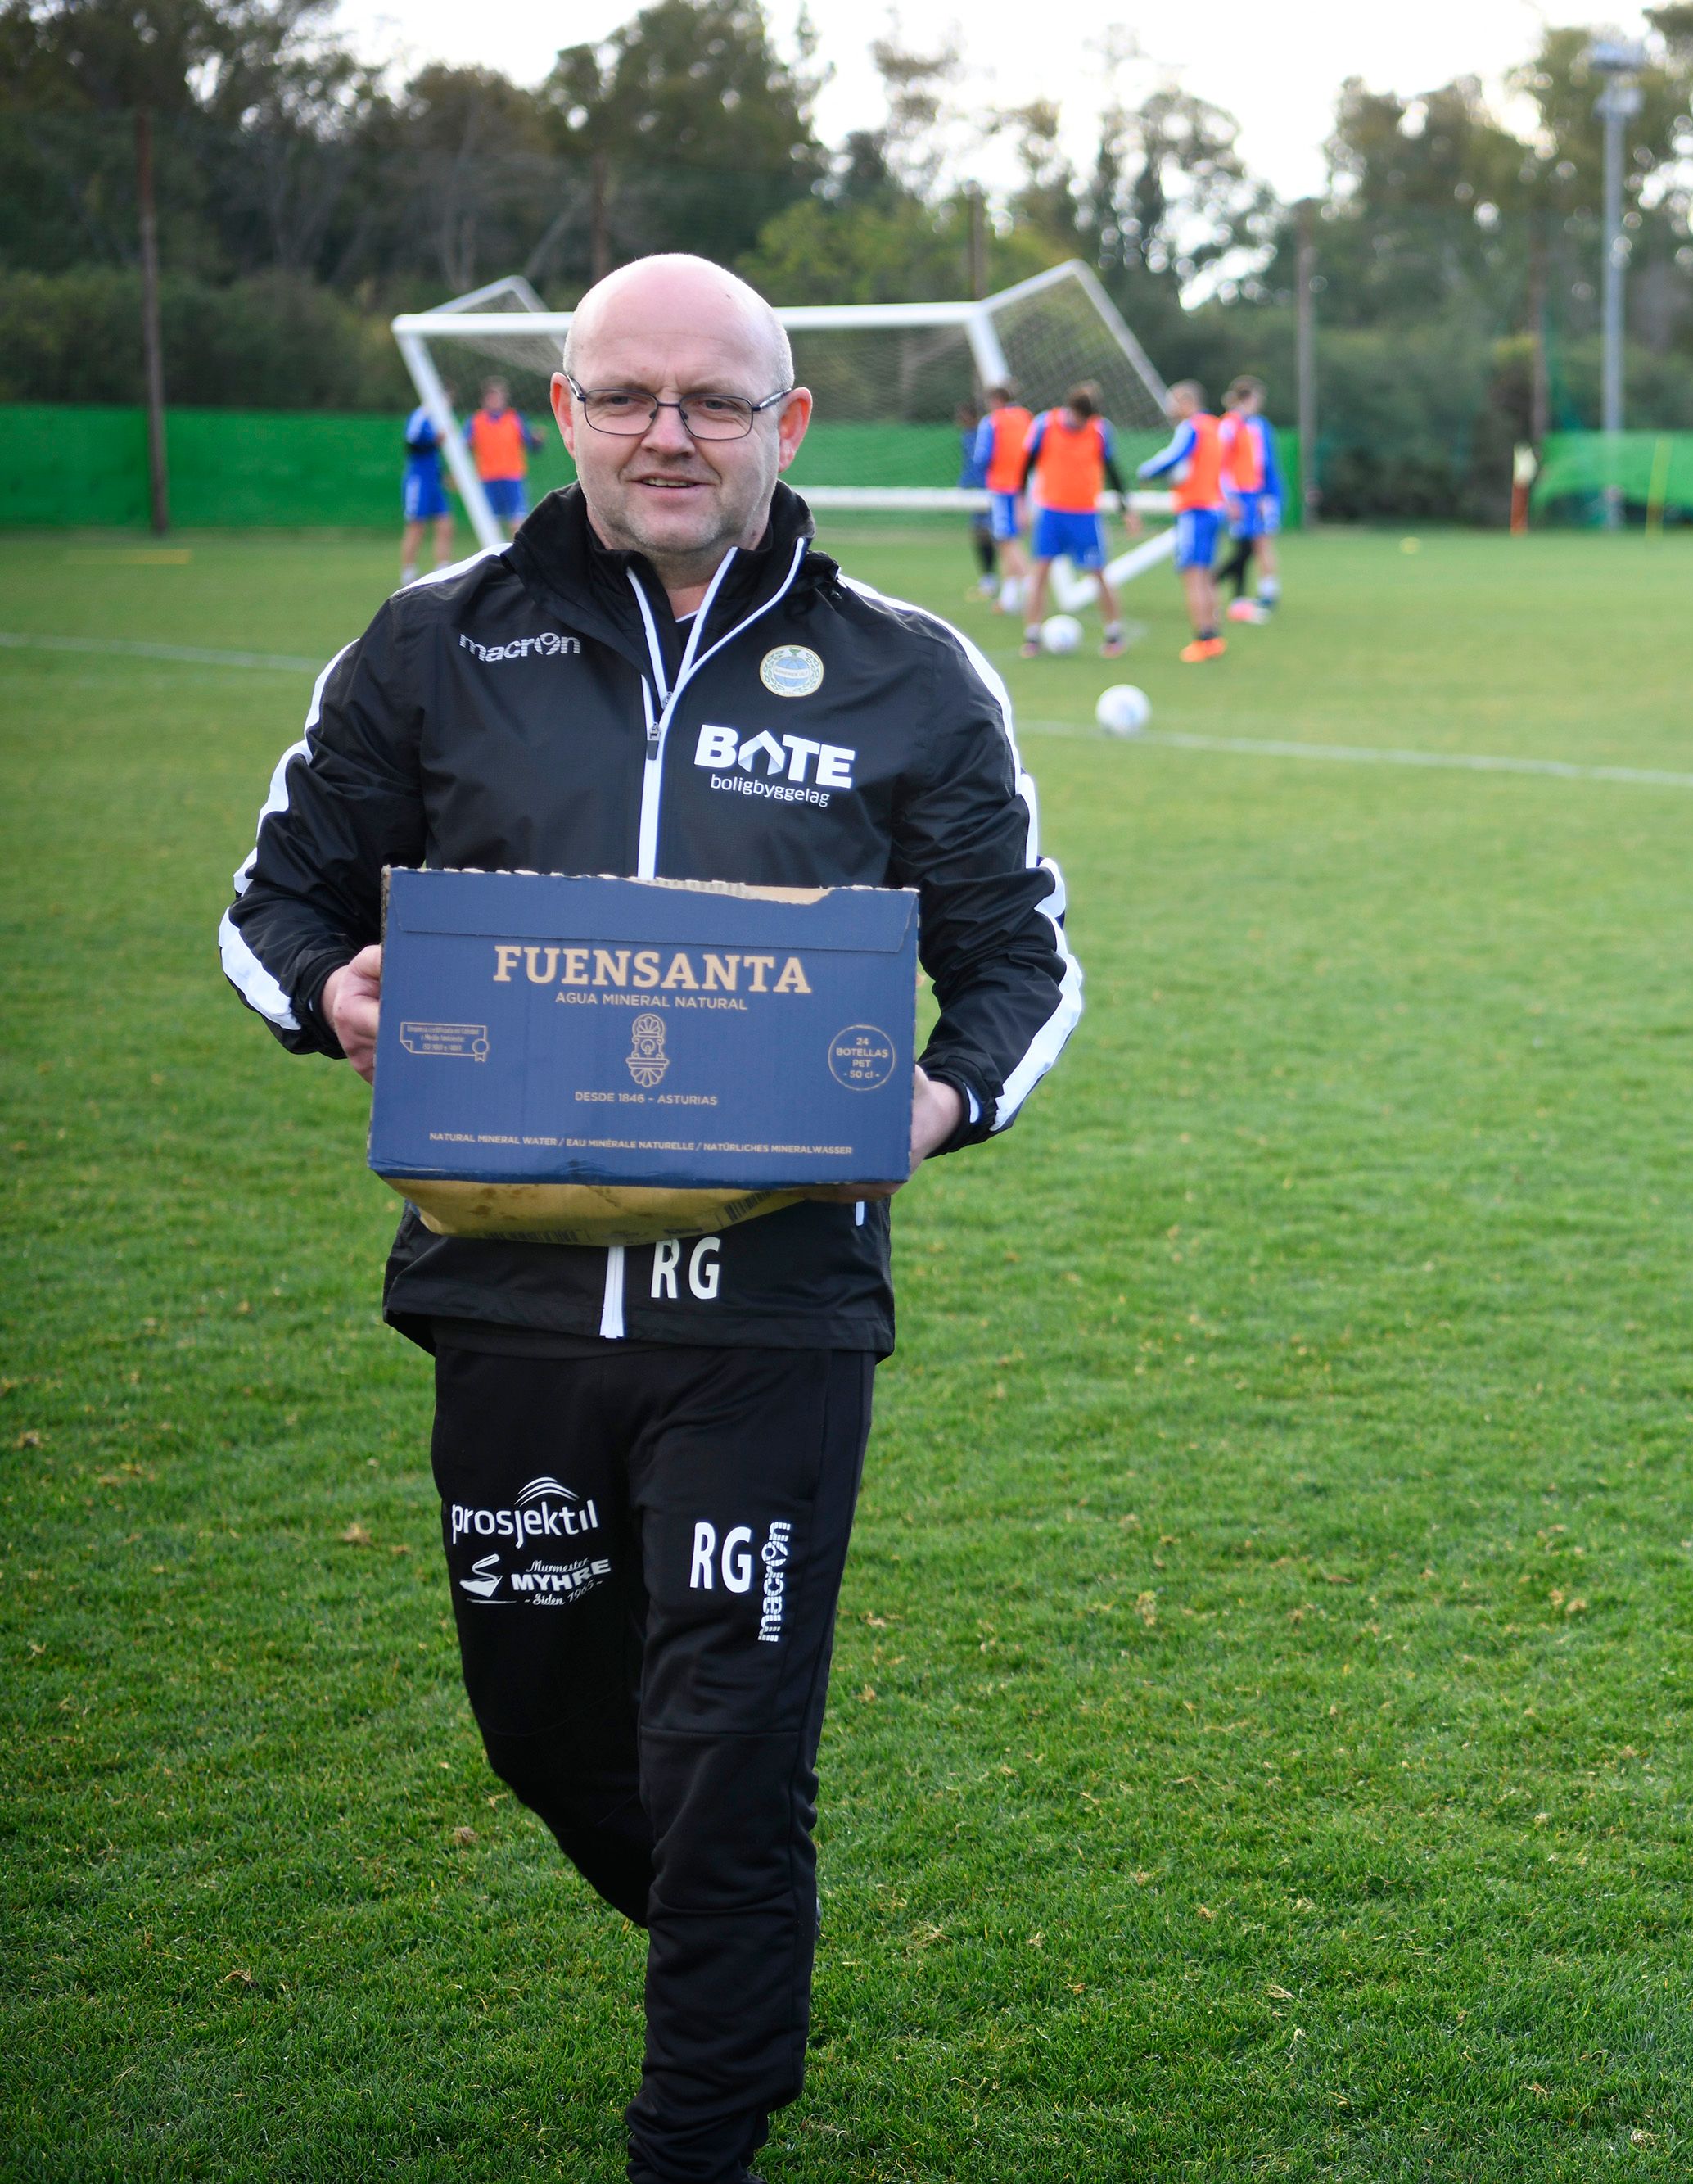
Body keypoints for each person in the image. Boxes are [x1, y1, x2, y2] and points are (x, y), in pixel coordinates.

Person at [219, 253, 1082, 2177]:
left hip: (769, 1315)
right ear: (564, 412)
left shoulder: (908, 672)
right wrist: (329, 991)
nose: (667, 433)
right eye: (625, 396)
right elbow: (273, 904)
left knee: (729, 1745)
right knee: (545, 1733)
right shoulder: (431, 642)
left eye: (712, 400)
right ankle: (731, 1939)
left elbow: (1021, 964)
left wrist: (939, 1098)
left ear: (788, 423)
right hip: (506, 1300)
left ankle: (701, 2120)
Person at [1019, 382, 1133, 659]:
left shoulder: (1100, 431)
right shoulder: (1046, 425)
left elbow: (1113, 471)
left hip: (1085, 514)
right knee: (1040, 572)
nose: (1082, 424)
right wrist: (1021, 504)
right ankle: (1032, 636)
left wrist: (1126, 509)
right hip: (1051, 512)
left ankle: (1114, 633)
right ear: (1069, 409)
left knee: (1098, 572)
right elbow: (1026, 466)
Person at [1137, 380, 1233, 662]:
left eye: (1175, 402)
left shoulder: (1191, 427)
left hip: (1195, 509)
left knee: (1194, 577)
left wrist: (1147, 471)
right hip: (1214, 507)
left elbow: (1173, 457)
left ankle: (1202, 640)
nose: (1171, 408)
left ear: (1188, 402)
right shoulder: (1214, 426)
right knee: (1207, 576)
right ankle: (1214, 638)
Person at [1218, 375, 1285, 623]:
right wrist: (1230, 497)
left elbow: (1264, 464)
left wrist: (1267, 495)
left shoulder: (1257, 425)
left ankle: (1261, 594)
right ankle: (1231, 593)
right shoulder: (1231, 425)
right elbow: (1223, 465)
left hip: (1257, 495)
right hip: (1242, 496)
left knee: (1257, 544)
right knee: (1246, 547)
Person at [975, 380, 1035, 617]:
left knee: (1006, 541)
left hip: (1002, 486)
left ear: (996, 400)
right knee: (1010, 541)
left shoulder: (992, 421)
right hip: (1025, 487)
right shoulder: (1026, 417)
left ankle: (1031, 588)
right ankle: (1009, 599)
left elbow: (982, 456)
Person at [469, 379, 541, 539]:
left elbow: (532, 445)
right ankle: (494, 551)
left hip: (512, 476)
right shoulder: (475, 421)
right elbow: (464, 446)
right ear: (484, 400)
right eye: (491, 397)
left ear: (504, 399)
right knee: (490, 522)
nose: (495, 401)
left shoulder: (515, 419)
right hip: (487, 478)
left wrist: (537, 440)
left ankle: (517, 551)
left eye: (498, 397)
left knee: (517, 521)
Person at [400, 403, 454, 585]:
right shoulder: (421, 415)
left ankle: (443, 568)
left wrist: (443, 476)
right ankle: (408, 570)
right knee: (417, 526)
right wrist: (434, 440)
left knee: (445, 524)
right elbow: (411, 442)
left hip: (434, 481)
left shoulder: (441, 419)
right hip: (419, 480)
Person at [959, 396, 1001, 603]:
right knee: (980, 535)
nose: (960, 420)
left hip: (993, 491)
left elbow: (982, 463)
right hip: (977, 494)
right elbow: (970, 465)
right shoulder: (966, 437)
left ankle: (1010, 583)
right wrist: (964, 484)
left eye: (963, 416)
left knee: (999, 537)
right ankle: (989, 579)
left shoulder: (986, 433)